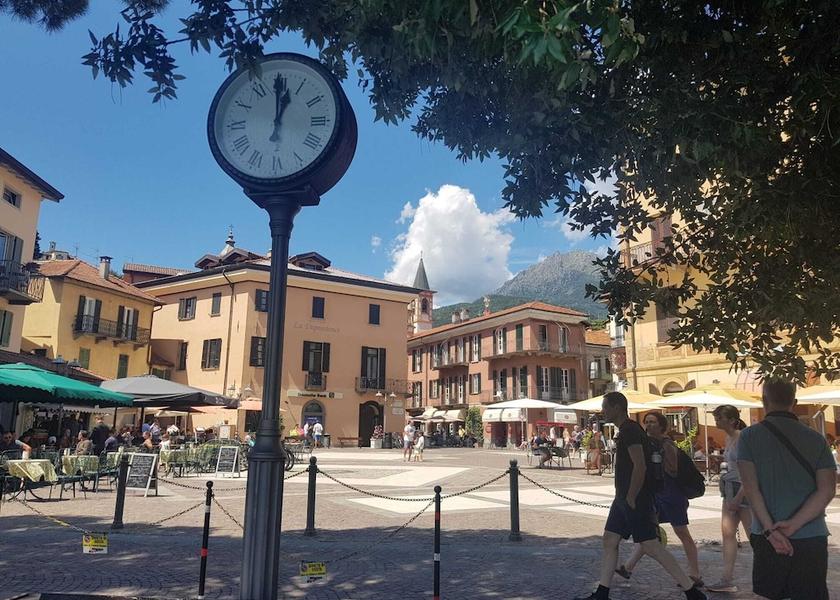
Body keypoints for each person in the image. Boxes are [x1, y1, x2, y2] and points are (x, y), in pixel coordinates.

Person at [574, 391, 706, 600]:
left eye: (605, 407)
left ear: (617, 407)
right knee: (610, 539)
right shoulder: (627, 430)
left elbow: (640, 465)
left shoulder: (630, 431)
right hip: (624, 498)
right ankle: (602, 592)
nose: (603, 411)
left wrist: (632, 496)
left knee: (651, 546)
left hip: (634, 498)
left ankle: (692, 591)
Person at [737, 378, 836, 600]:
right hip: (811, 534)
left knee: (771, 594)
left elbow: (751, 490)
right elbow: (827, 489)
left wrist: (772, 530)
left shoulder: (749, 437)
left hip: (767, 534)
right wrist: (795, 524)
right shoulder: (816, 439)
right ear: (794, 402)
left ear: (764, 401)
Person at [616, 412, 702, 587]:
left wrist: (657, 463)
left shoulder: (667, 445)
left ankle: (695, 574)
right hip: (657, 496)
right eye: (646, 422)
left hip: (672, 496)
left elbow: (673, 470)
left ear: (662, 426)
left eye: (653, 422)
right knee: (649, 533)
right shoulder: (648, 444)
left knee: (682, 533)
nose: (649, 425)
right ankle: (628, 567)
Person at [706, 405, 752, 593]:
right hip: (731, 489)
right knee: (727, 533)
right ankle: (726, 578)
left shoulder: (742, 438)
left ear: (732, 420)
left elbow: (748, 470)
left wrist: (740, 496)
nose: (716, 420)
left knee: (754, 536)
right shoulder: (728, 437)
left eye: (720, 417)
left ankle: (773, 576)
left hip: (743, 489)